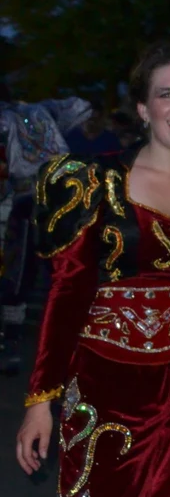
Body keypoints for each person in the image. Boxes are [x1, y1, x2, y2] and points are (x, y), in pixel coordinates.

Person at [14, 45, 170, 497]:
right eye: (167, 94)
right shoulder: (95, 182)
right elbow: (67, 294)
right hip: (107, 388)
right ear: (142, 107)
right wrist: (41, 400)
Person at [0, 89, 91, 374]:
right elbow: (82, 106)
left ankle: (13, 345)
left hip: (29, 199)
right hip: (65, 194)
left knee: (20, 273)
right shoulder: (42, 109)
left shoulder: (5, 118)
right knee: (62, 270)